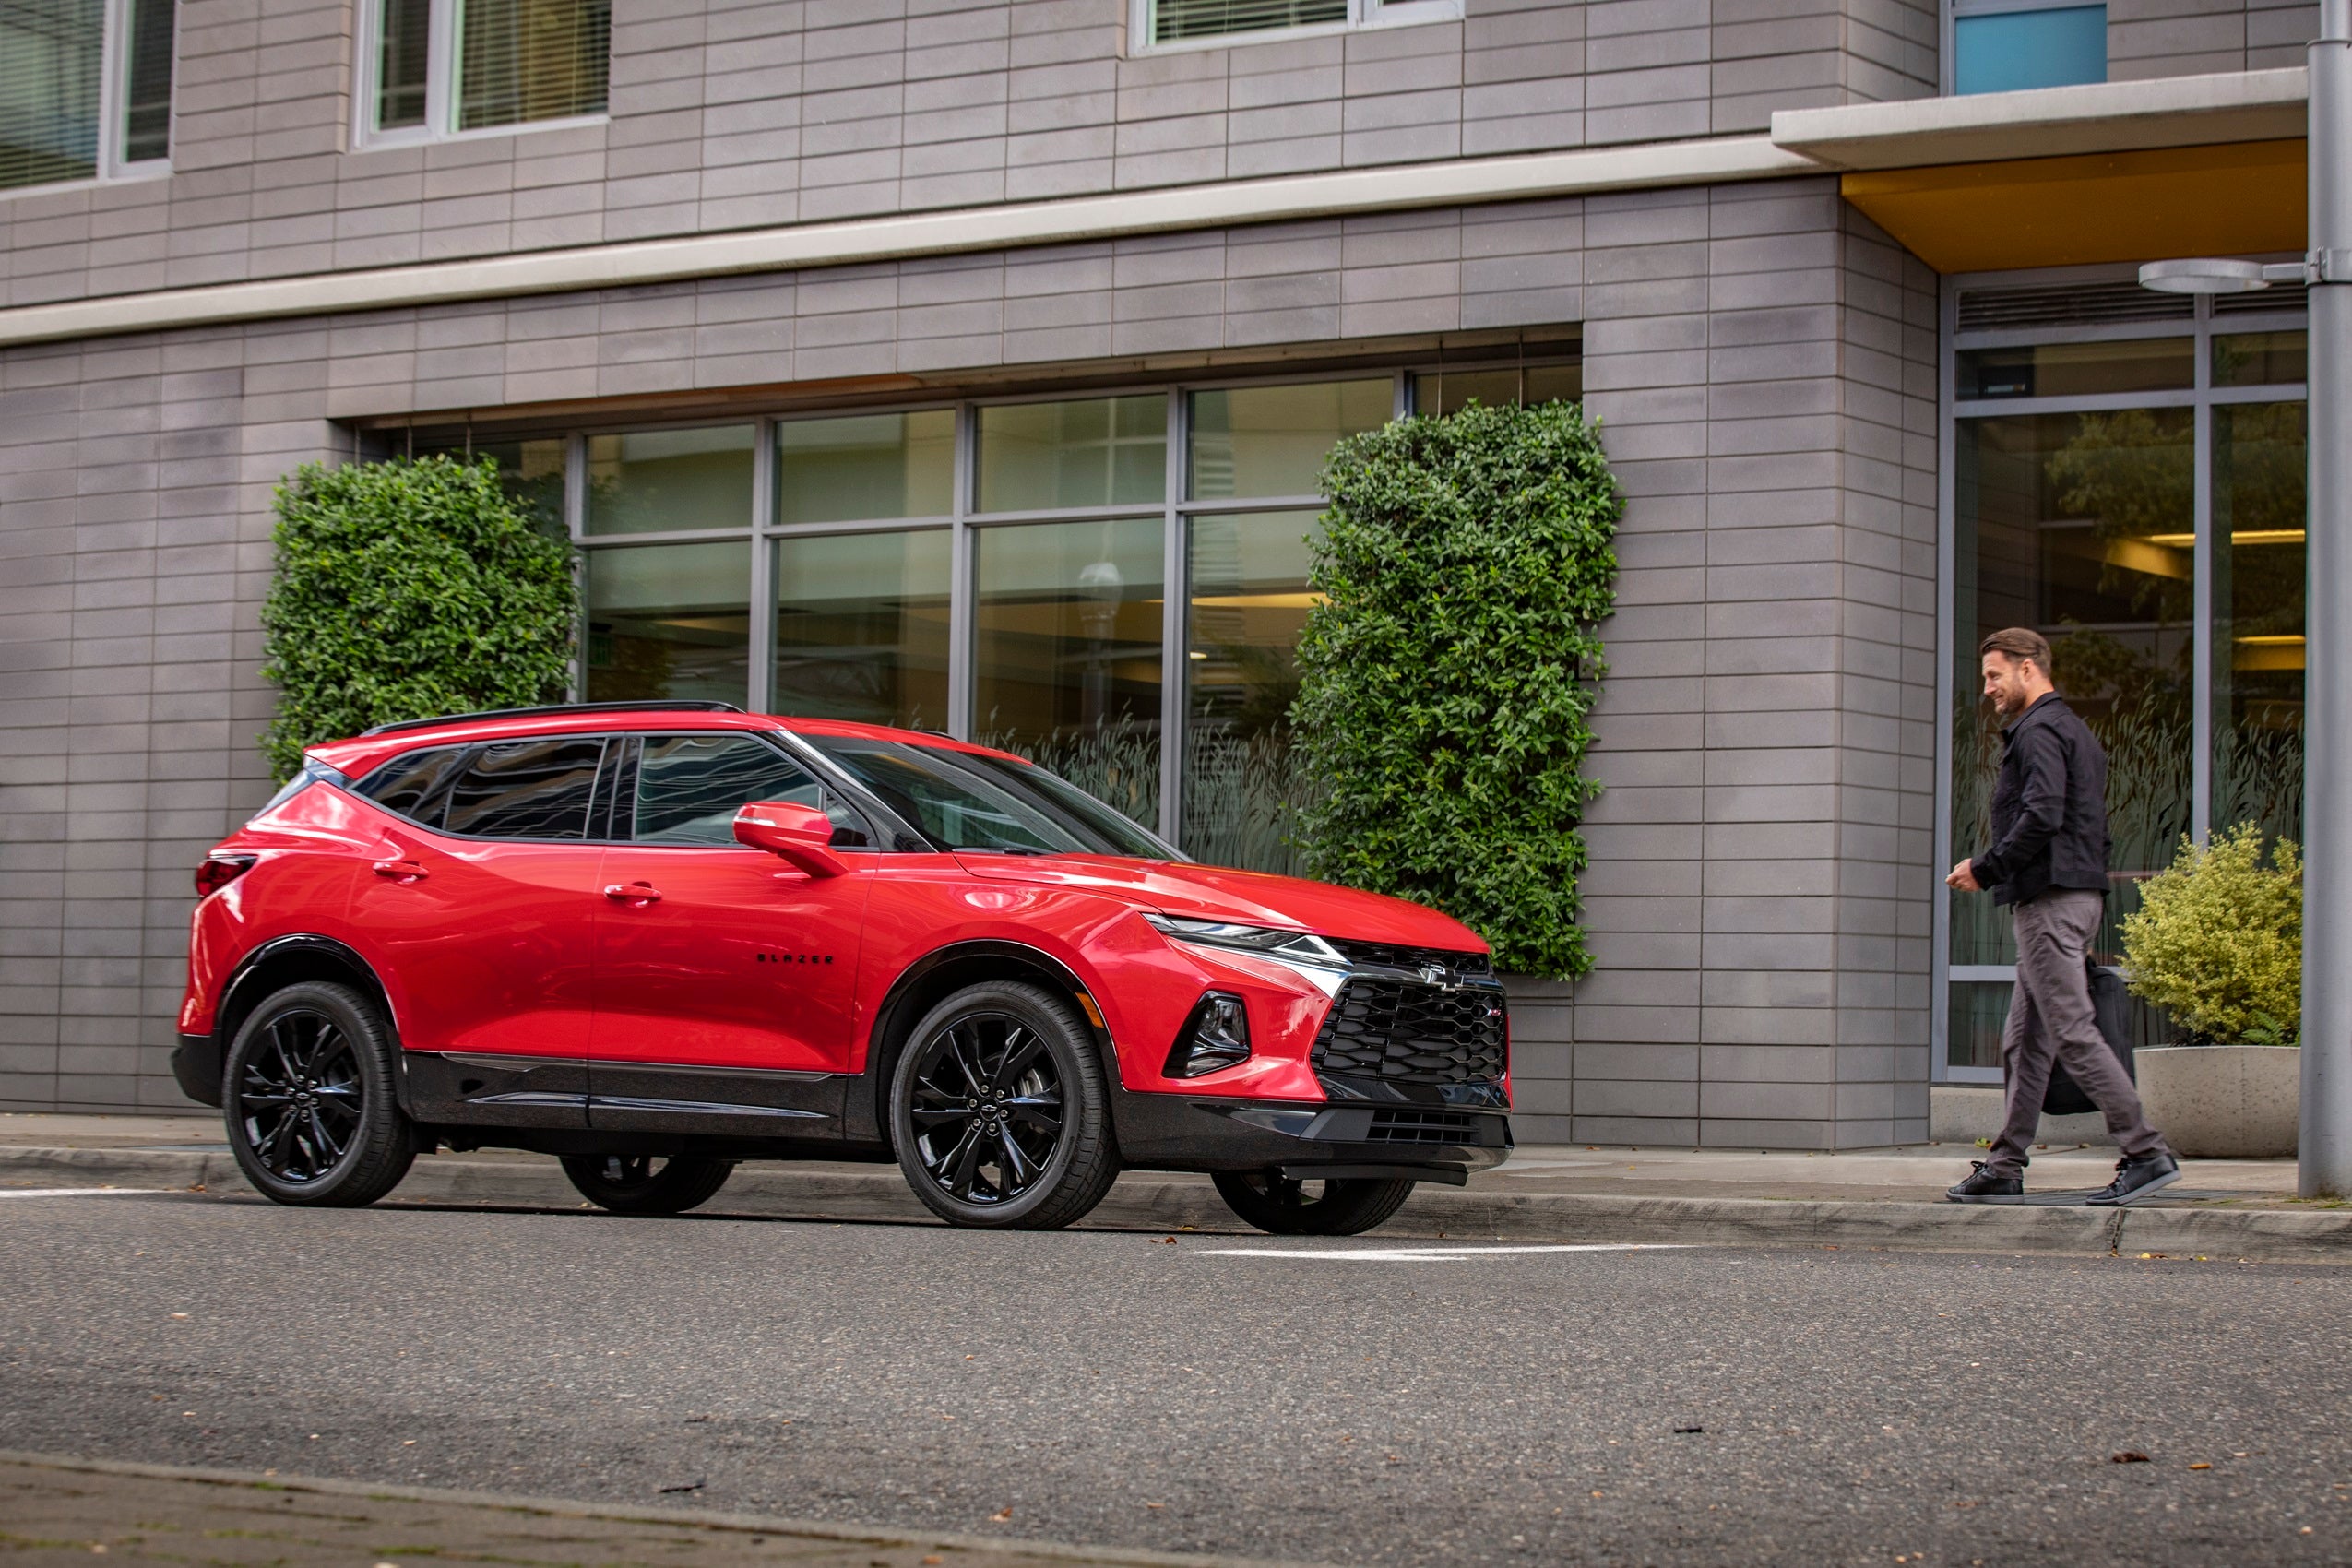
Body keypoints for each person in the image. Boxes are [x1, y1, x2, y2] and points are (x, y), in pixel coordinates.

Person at [1944, 628, 2180, 1206]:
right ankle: (2005, 1164)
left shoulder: (2040, 729)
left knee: (2072, 1032)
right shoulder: (2070, 729)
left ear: (2029, 669)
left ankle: (2146, 1152)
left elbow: (2043, 812)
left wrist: (1988, 866)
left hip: (2053, 902)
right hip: (2065, 898)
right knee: (2025, 1041)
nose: (1988, 688)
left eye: (1995, 675)